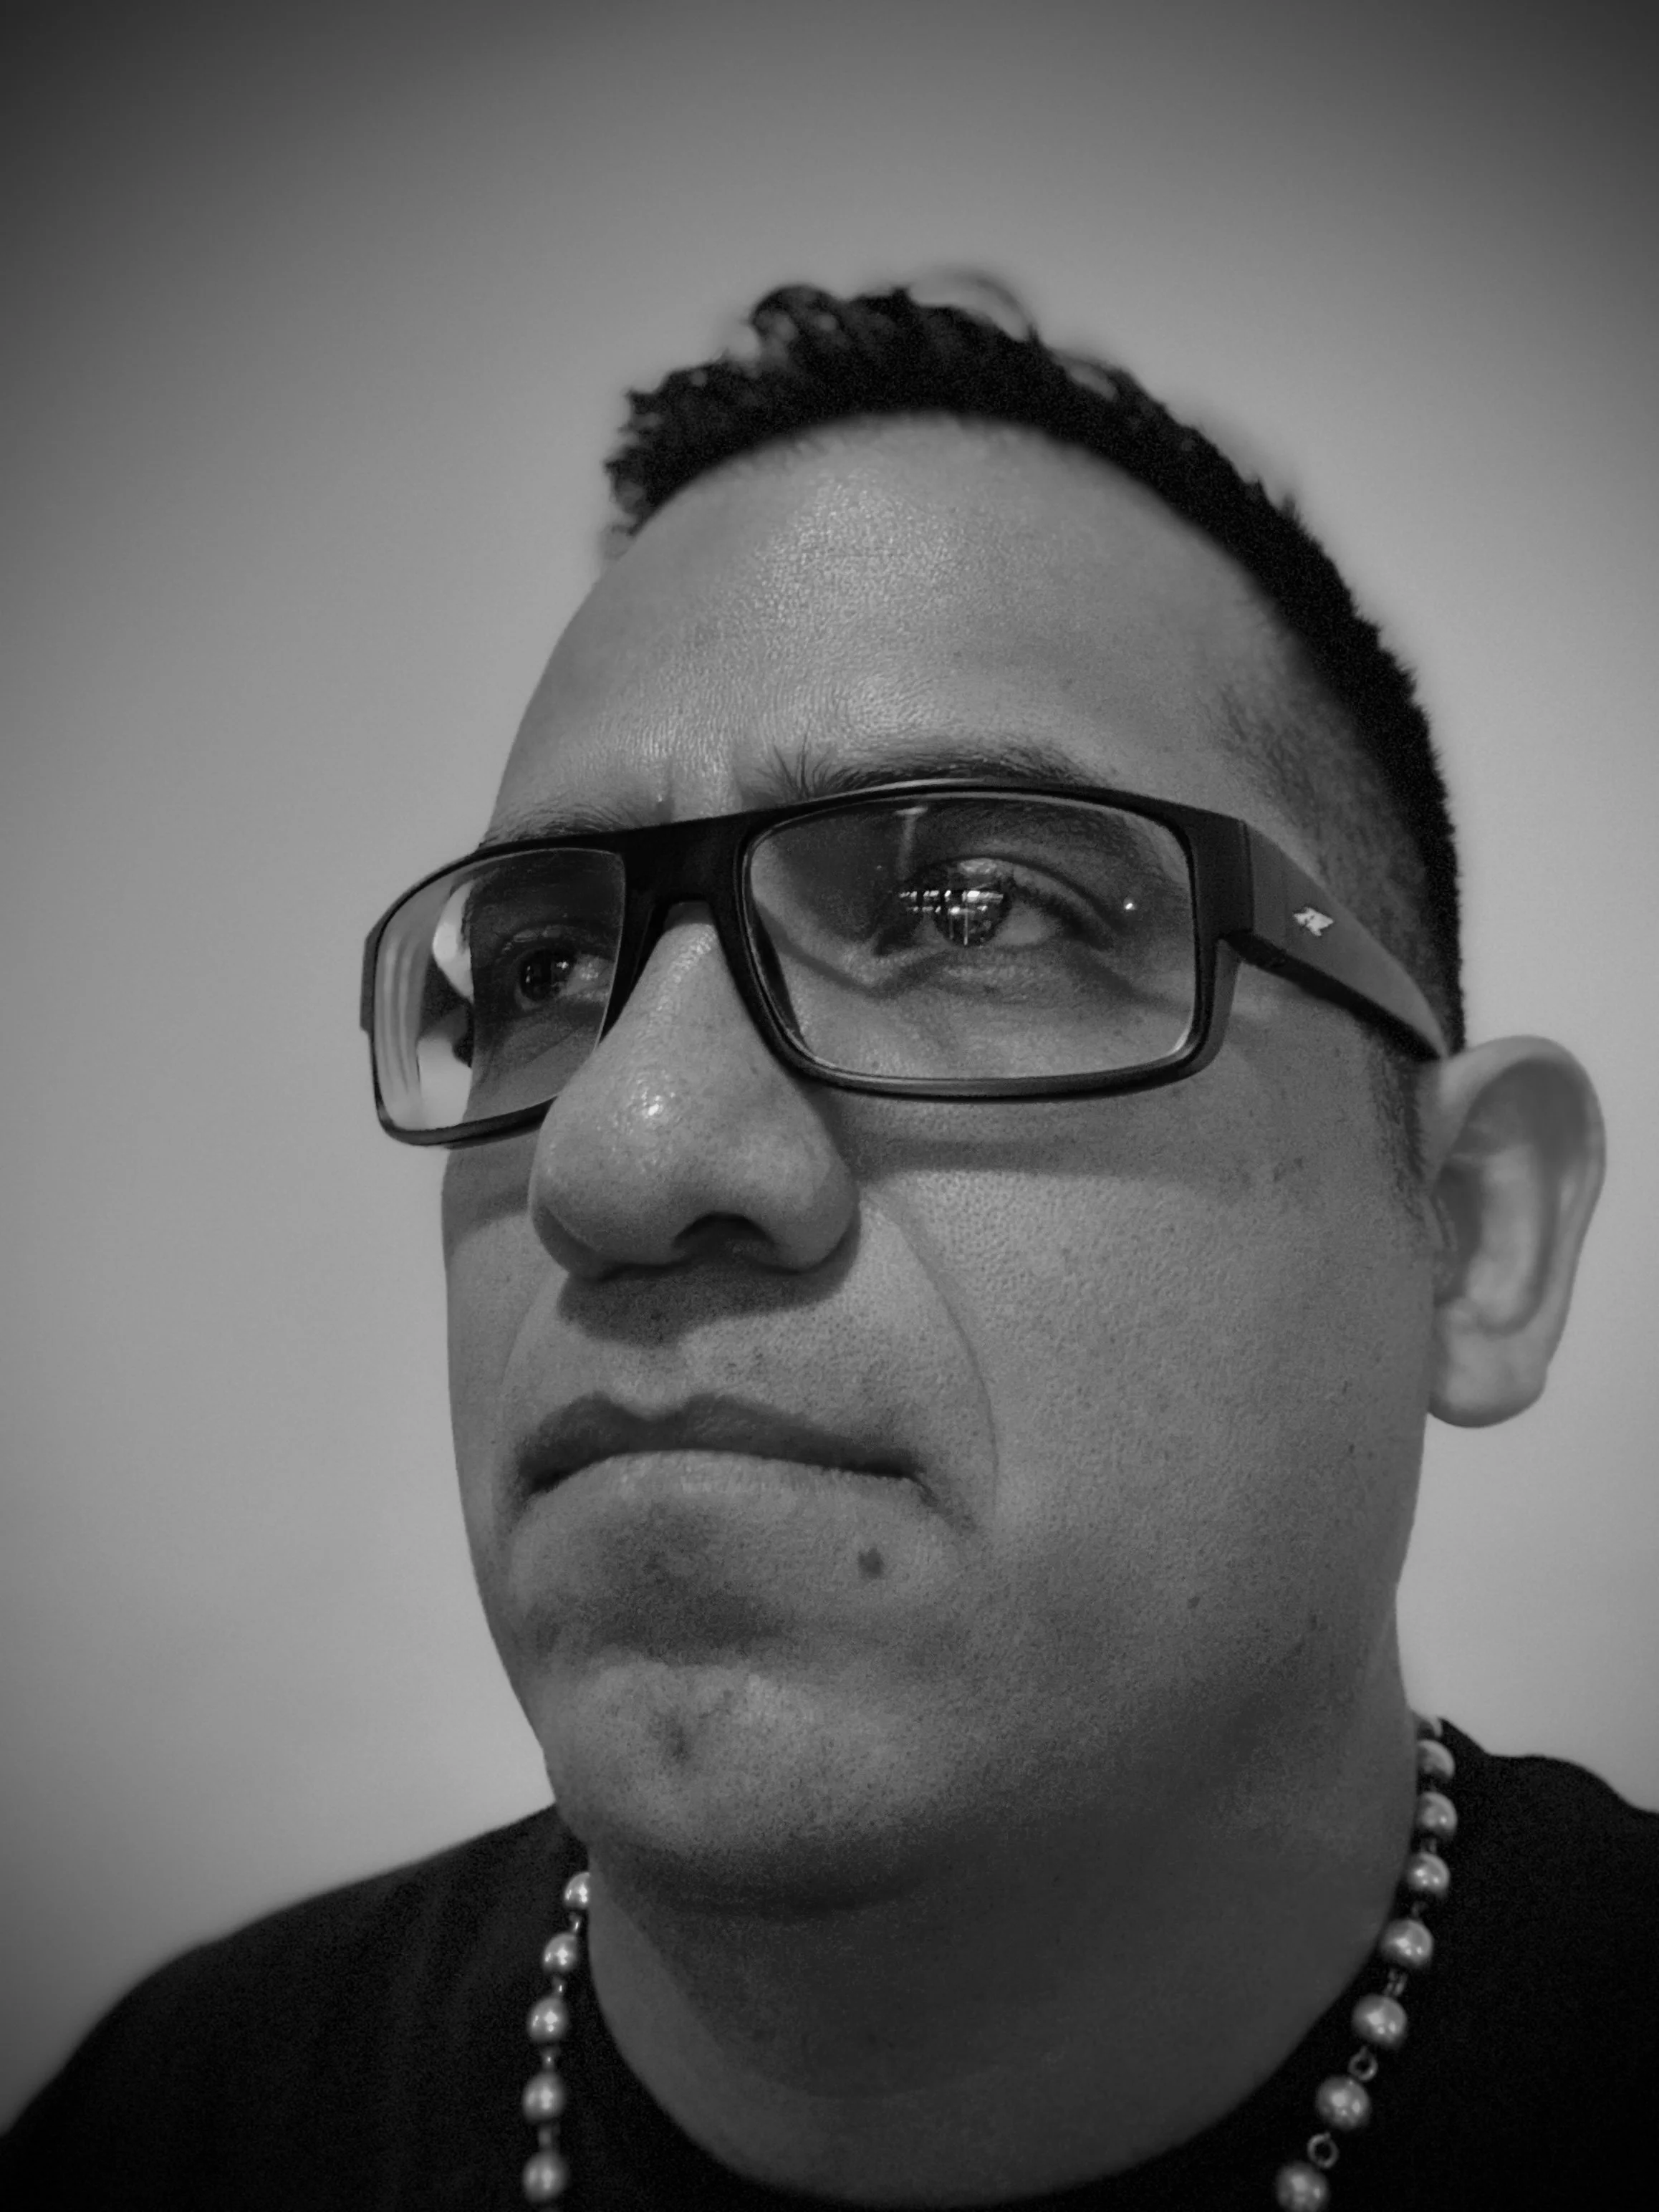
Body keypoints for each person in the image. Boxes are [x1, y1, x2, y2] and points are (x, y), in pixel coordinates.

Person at [3, 274, 1651, 2212]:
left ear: (1470, 1234)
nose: (619, 1152)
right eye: (545, 972)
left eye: (974, 910)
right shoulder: (182, 2128)